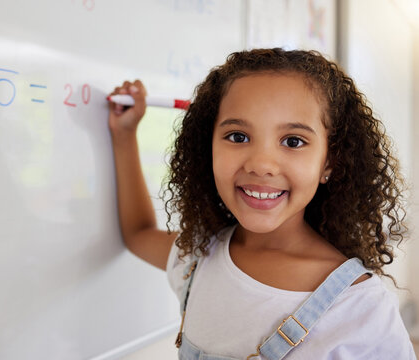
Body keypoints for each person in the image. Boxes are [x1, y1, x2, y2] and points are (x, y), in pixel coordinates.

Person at [108, 48, 416, 359]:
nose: (261, 165)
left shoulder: (360, 308)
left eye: (293, 141)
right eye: (238, 136)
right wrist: (124, 135)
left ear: (329, 162)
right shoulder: (198, 256)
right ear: (208, 147)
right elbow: (138, 232)